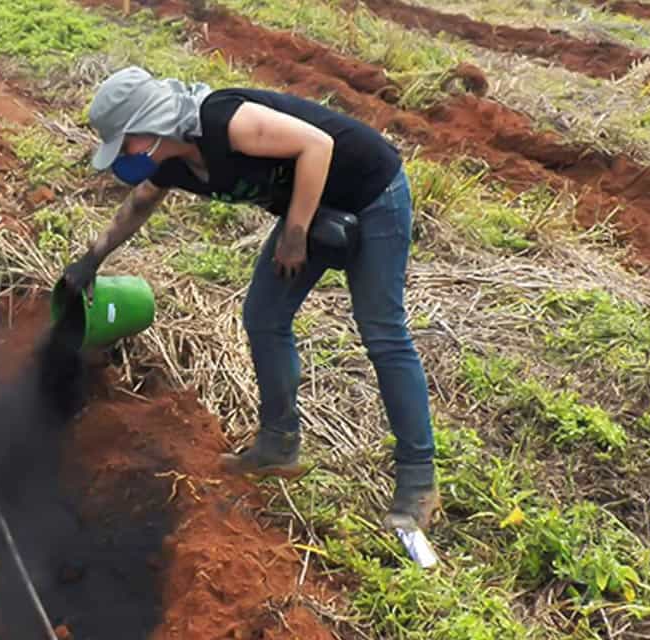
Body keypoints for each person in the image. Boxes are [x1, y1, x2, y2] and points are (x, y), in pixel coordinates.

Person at [60, 66, 440, 532]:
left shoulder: (224, 121)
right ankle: (278, 445)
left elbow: (318, 146)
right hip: (314, 202)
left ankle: (418, 481)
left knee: (382, 331)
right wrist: (91, 259)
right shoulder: (174, 163)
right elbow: (139, 203)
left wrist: (295, 235)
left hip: (371, 191)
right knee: (264, 316)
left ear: (151, 125)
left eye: (125, 144)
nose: (123, 157)